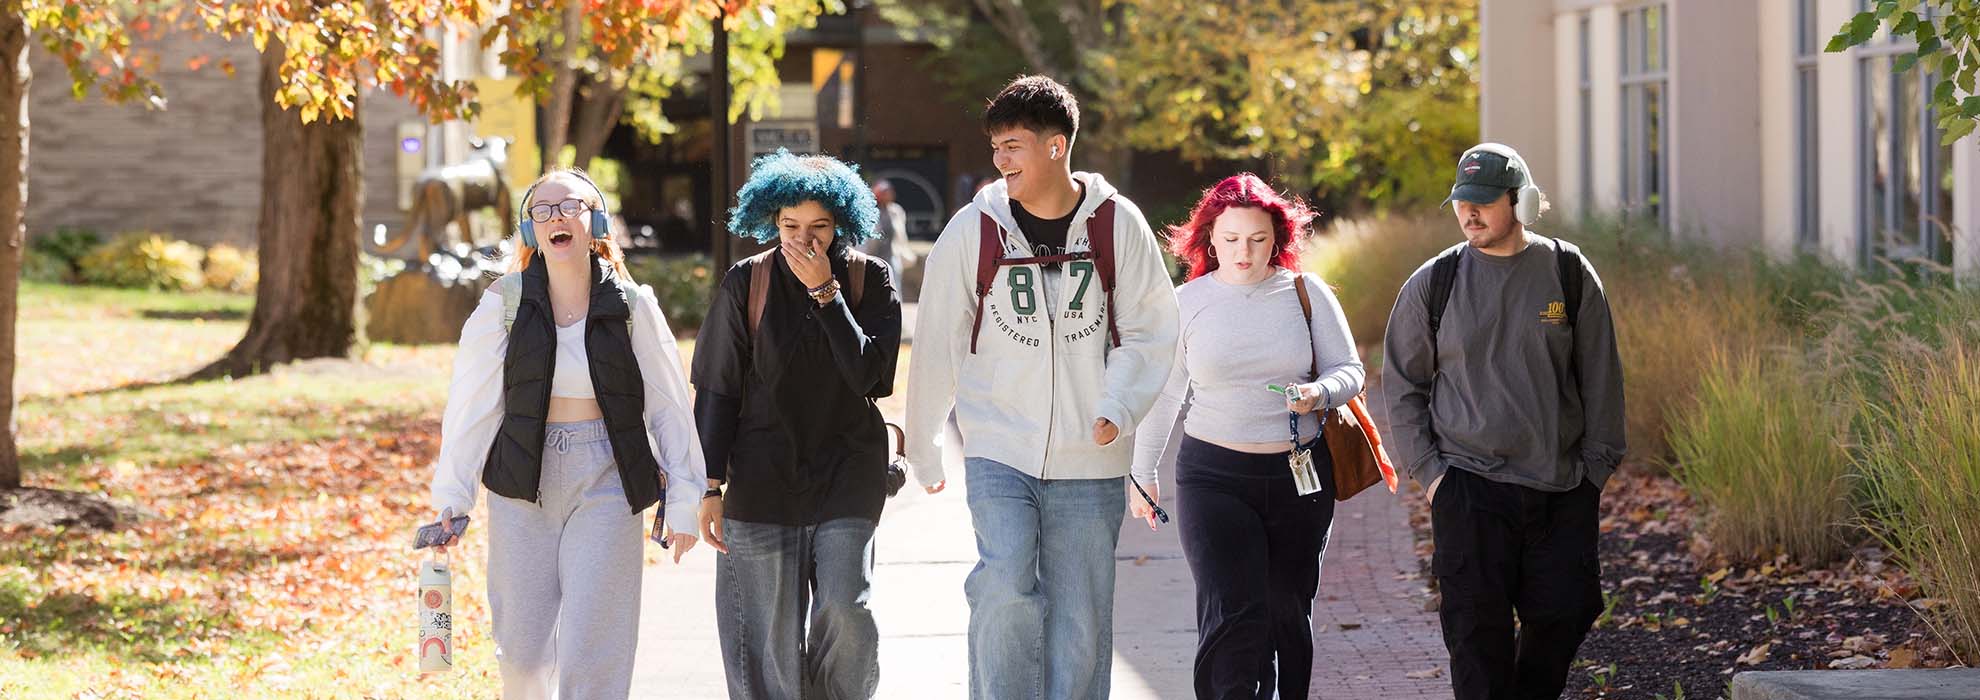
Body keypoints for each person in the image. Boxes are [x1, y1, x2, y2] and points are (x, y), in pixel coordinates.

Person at [902, 74, 1180, 700]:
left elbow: (1152, 331)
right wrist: (922, 445)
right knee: (1003, 585)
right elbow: (940, 341)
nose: (999, 160)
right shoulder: (973, 230)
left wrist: (1119, 407)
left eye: (1013, 146)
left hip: (1093, 454)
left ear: (1057, 147)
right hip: (1000, 447)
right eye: (995, 147)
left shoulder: (1117, 224)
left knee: (1080, 614)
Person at [426, 168, 707, 700]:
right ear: (531, 231)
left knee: (594, 646)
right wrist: (452, 496)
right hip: (520, 479)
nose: (556, 217)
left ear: (595, 221)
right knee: (523, 654)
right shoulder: (503, 304)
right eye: (542, 210)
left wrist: (687, 495)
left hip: (606, 476)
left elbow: (669, 404)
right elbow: (471, 407)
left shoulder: (631, 303)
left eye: (570, 206)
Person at [1380, 143, 1626, 700]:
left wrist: (1595, 473)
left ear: (1522, 201)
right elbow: (1402, 385)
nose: (1470, 213)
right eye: (1462, 202)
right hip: (1468, 488)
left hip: (1562, 487)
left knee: (1566, 613)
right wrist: (1433, 475)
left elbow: (1602, 377)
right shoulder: (1434, 283)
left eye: (1485, 202)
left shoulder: (1566, 271)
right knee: (1475, 639)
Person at [1131, 173, 1362, 700]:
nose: (1244, 252)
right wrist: (1142, 473)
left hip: (1298, 476)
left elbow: (1349, 369)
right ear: (1209, 239)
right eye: (1231, 239)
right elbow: (1165, 394)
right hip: (1213, 477)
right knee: (1232, 615)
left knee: (1287, 611)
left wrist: (1318, 394)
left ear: (1277, 240)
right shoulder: (1186, 302)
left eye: (1257, 240)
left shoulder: (1306, 293)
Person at [692, 151, 903, 700]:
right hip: (762, 476)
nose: (804, 241)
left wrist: (827, 294)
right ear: (771, 221)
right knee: (768, 639)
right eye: (790, 226)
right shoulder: (748, 282)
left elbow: (872, 377)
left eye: (820, 228)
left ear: (842, 225)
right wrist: (709, 485)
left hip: (848, 472)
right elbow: (718, 388)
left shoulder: (867, 278)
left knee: (844, 607)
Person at [856, 179, 917, 279]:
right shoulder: (869, 212)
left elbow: (901, 236)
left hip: (892, 256)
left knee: (894, 286)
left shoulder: (896, 211)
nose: (889, 194)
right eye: (884, 192)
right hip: (872, 257)